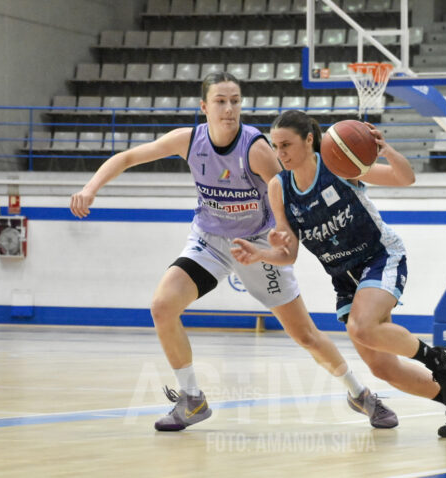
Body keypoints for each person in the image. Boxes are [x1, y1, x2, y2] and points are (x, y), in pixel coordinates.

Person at [70, 72, 399, 432]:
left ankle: (360, 393)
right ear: (203, 107)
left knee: (305, 335)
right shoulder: (189, 140)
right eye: (221, 101)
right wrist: (90, 187)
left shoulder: (256, 150)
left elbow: (290, 200)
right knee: (162, 306)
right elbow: (129, 156)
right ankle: (192, 398)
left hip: (257, 243)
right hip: (210, 240)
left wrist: (280, 241)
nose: (229, 109)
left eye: (235, 101)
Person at [231, 110, 446, 438]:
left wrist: (387, 151)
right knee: (383, 368)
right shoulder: (279, 188)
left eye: (286, 145)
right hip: (344, 278)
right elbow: (288, 254)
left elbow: (404, 178)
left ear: (310, 140)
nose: (280, 154)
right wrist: (262, 253)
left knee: (361, 326)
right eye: (275, 146)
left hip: (380, 257)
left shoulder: (339, 165)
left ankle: (439, 358)